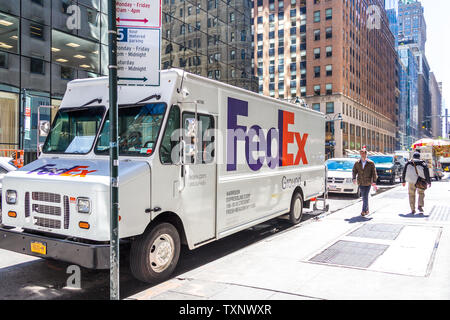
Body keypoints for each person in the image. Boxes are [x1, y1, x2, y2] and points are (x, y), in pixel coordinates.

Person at [352, 147, 378, 217]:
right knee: (364, 197)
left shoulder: (371, 163)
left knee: (365, 196)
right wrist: (354, 178)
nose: (363, 155)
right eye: (361, 154)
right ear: (360, 155)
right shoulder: (357, 163)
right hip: (360, 182)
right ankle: (366, 210)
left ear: (366, 154)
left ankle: (364, 211)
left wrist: (374, 181)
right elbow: (354, 171)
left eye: (364, 154)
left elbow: (374, 173)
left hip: (368, 182)